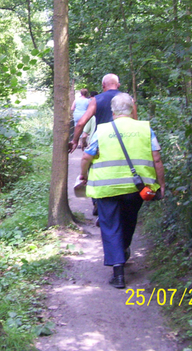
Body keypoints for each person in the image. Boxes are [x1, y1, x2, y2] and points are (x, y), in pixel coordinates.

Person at [78, 93, 165, 288]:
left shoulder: (102, 130)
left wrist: (83, 175)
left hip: (106, 187)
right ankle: (124, 249)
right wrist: (161, 184)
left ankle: (118, 272)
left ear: (112, 110)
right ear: (132, 109)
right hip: (137, 187)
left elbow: (86, 156)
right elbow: (157, 159)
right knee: (129, 219)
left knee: (110, 225)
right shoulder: (145, 129)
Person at [68, 74, 135, 154]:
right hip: (126, 141)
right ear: (118, 85)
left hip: (102, 142)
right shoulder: (129, 100)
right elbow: (135, 121)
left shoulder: (96, 100)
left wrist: (75, 141)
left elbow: (80, 123)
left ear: (103, 85)